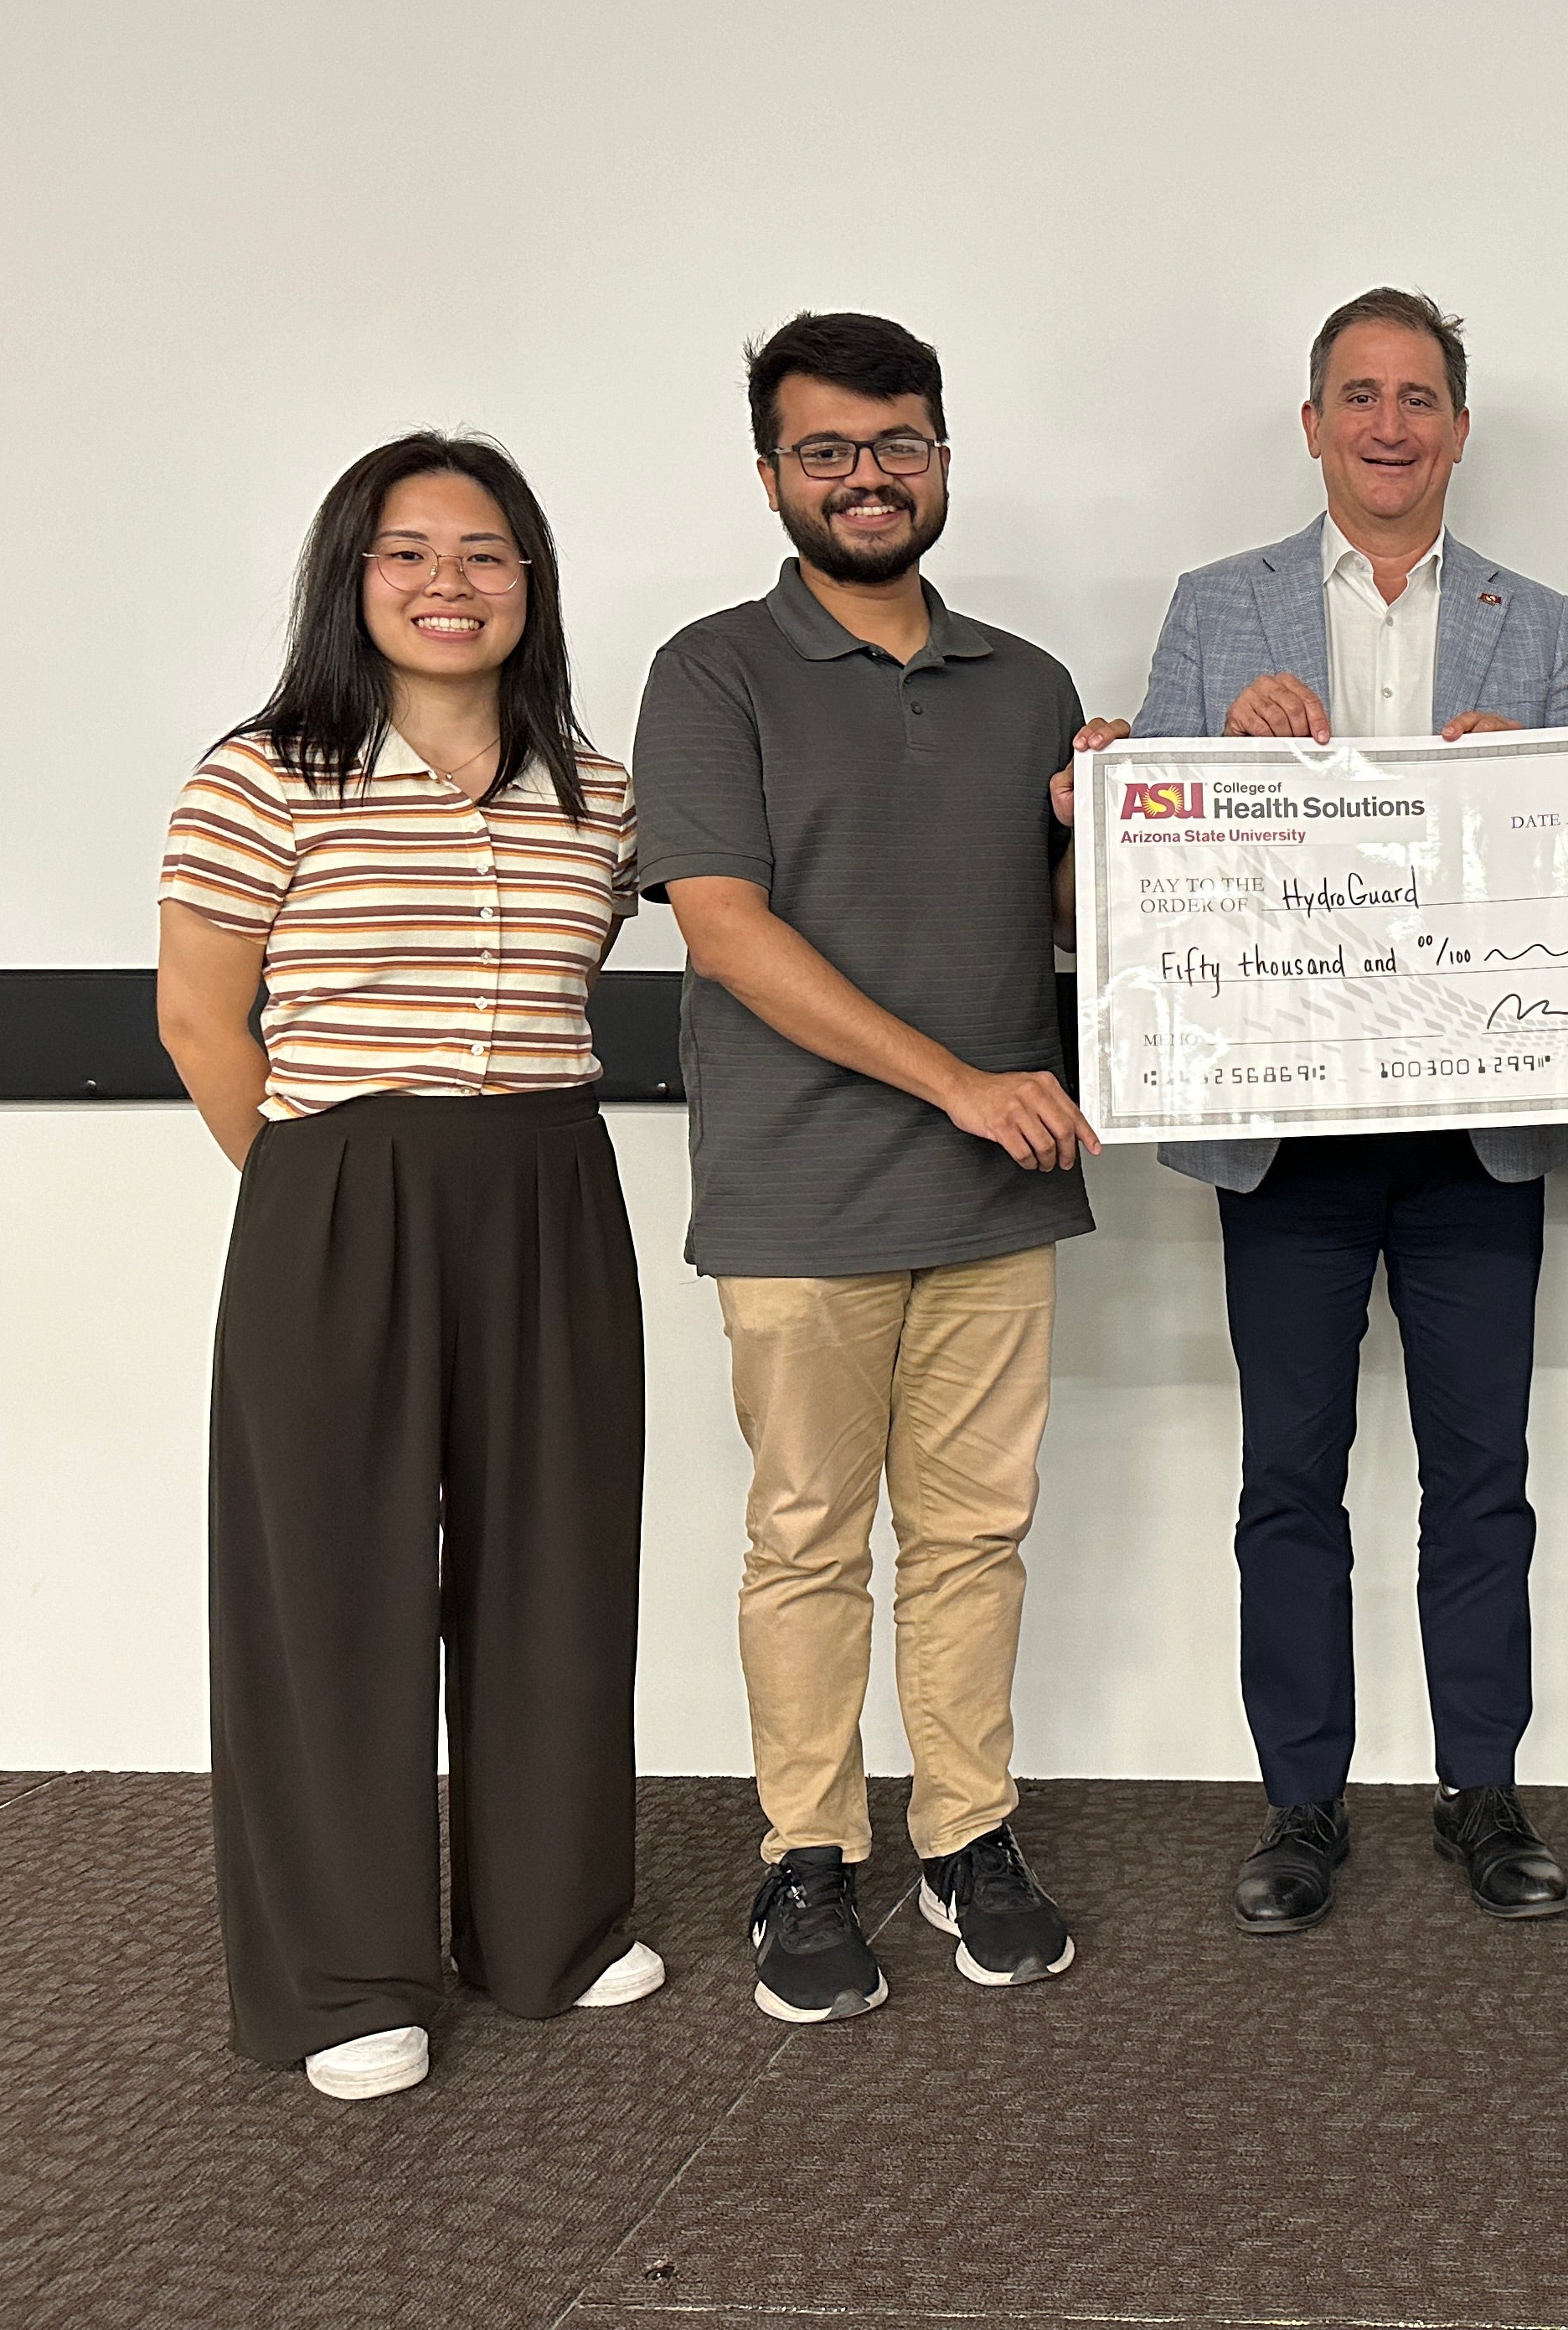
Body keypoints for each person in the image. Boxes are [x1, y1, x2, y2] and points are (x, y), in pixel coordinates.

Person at [634, 312, 1119, 2025]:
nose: (866, 476)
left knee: (977, 1538)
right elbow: (724, 930)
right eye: (828, 449)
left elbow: (1061, 932)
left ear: (940, 461)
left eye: (898, 443)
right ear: (772, 472)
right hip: (803, 1195)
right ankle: (805, 1856)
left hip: (993, 1199)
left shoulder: (1032, 685)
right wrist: (961, 1085)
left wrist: (1130, 838)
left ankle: (967, 1834)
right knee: (809, 1541)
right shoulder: (711, 672)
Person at [157, 431, 655, 2100]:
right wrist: (326, 1195)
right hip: (341, 1182)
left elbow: (745, 914)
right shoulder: (264, 772)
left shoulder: (598, 790)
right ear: (349, 580)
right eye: (408, 552)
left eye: (488, 552)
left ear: (534, 583)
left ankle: (551, 1929)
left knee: (555, 1560)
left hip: (548, 1182)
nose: (451, 583)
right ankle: (344, 1974)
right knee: (335, 1583)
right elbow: (198, 1020)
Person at [1133, 286, 1568, 1933]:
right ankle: (1302, 1805)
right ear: (1313, 422)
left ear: (1458, 429)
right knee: (1292, 1475)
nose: (1390, 424)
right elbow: (1153, 852)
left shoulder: (1536, 626)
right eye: (1359, 395)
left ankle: (1485, 1790)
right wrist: (1216, 750)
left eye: (1420, 397)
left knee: (1483, 1473)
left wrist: (1522, 785)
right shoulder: (1216, 610)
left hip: (1477, 1131)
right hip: (1289, 1133)